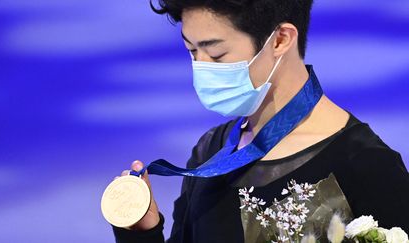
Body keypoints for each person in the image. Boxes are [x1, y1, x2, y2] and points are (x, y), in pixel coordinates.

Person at [110, 0, 409, 242]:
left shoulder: (367, 164)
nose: (201, 68)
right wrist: (142, 233)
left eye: (216, 54)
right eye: (191, 51)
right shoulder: (210, 151)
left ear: (280, 40)